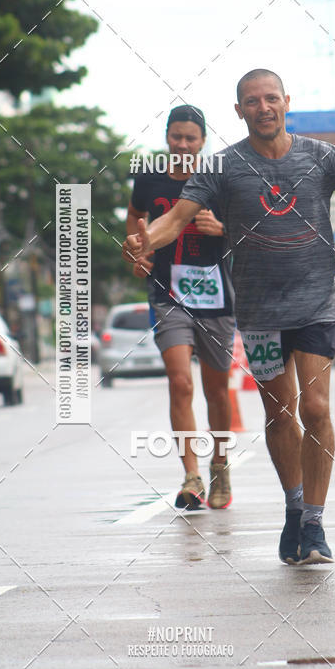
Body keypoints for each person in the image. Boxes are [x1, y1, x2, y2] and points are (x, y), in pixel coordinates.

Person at [123, 68, 335, 565]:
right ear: (239, 110)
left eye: (271, 98)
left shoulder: (321, 156)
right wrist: (146, 239)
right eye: (253, 101)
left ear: (287, 101)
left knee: (315, 408)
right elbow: (175, 219)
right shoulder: (221, 168)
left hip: (315, 305)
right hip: (258, 312)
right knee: (279, 413)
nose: (264, 107)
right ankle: (293, 508)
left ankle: (314, 522)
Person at [127, 104, 235, 510]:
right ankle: (191, 476)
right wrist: (137, 253)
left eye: (191, 137)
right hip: (167, 295)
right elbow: (136, 219)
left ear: (203, 141)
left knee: (217, 391)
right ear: (167, 138)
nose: (184, 144)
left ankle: (220, 465)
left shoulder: (221, 180)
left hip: (216, 297)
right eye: (177, 136)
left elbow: (252, 228)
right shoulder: (149, 179)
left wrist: (223, 229)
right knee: (180, 382)